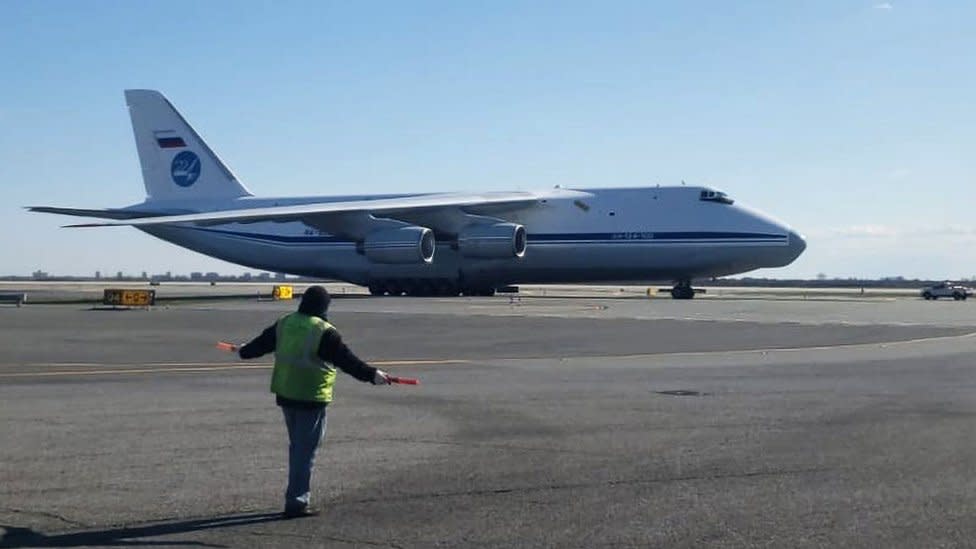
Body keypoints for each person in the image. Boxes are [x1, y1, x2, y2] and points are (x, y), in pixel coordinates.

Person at [237, 285, 390, 518]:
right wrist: (372, 375)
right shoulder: (324, 331)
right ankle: (297, 501)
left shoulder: (286, 322)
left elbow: (260, 345)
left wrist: (243, 351)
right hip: (311, 397)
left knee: (298, 447)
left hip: (286, 394)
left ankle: (296, 496)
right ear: (324, 307)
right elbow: (347, 361)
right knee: (305, 451)